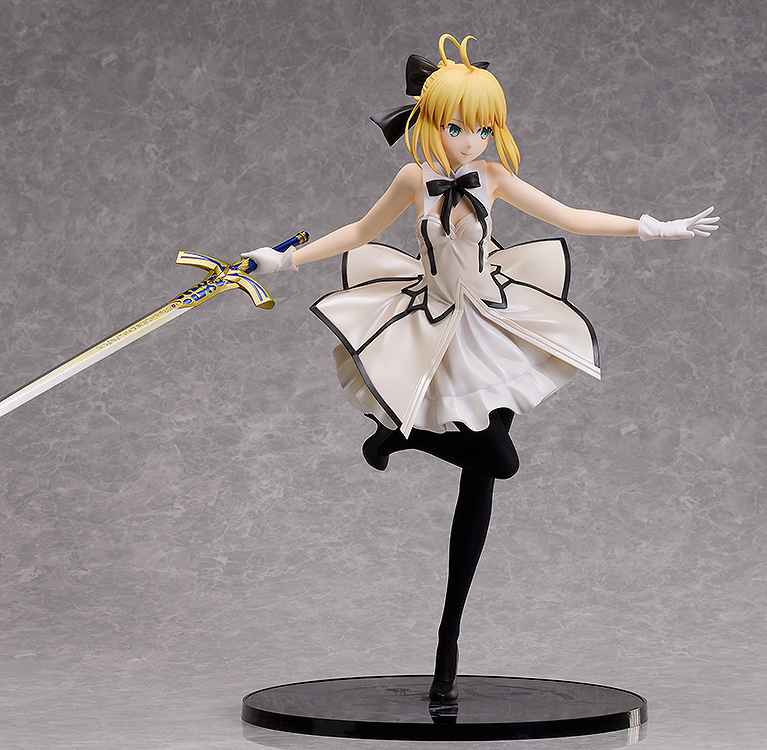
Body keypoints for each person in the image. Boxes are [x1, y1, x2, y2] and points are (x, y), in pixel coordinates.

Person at [242, 33, 719, 703]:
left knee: (483, 475)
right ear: (431, 121)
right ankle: (401, 436)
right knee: (498, 460)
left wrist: (653, 228)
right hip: (434, 321)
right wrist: (284, 259)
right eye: (457, 128)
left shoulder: (492, 178)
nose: (471, 142)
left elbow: (570, 217)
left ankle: (447, 646)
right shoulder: (412, 179)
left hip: (491, 323)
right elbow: (357, 233)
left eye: (484, 129)